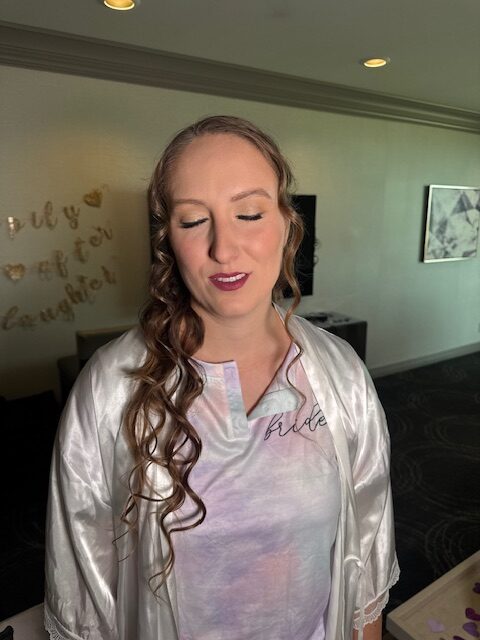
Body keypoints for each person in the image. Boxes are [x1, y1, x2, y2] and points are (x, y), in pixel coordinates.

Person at [44, 115, 399, 640]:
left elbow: (365, 563)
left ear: (287, 223)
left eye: (249, 213)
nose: (223, 249)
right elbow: (81, 593)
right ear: (168, 240)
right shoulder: (110, 388)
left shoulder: (340, 374)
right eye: (192, 221)